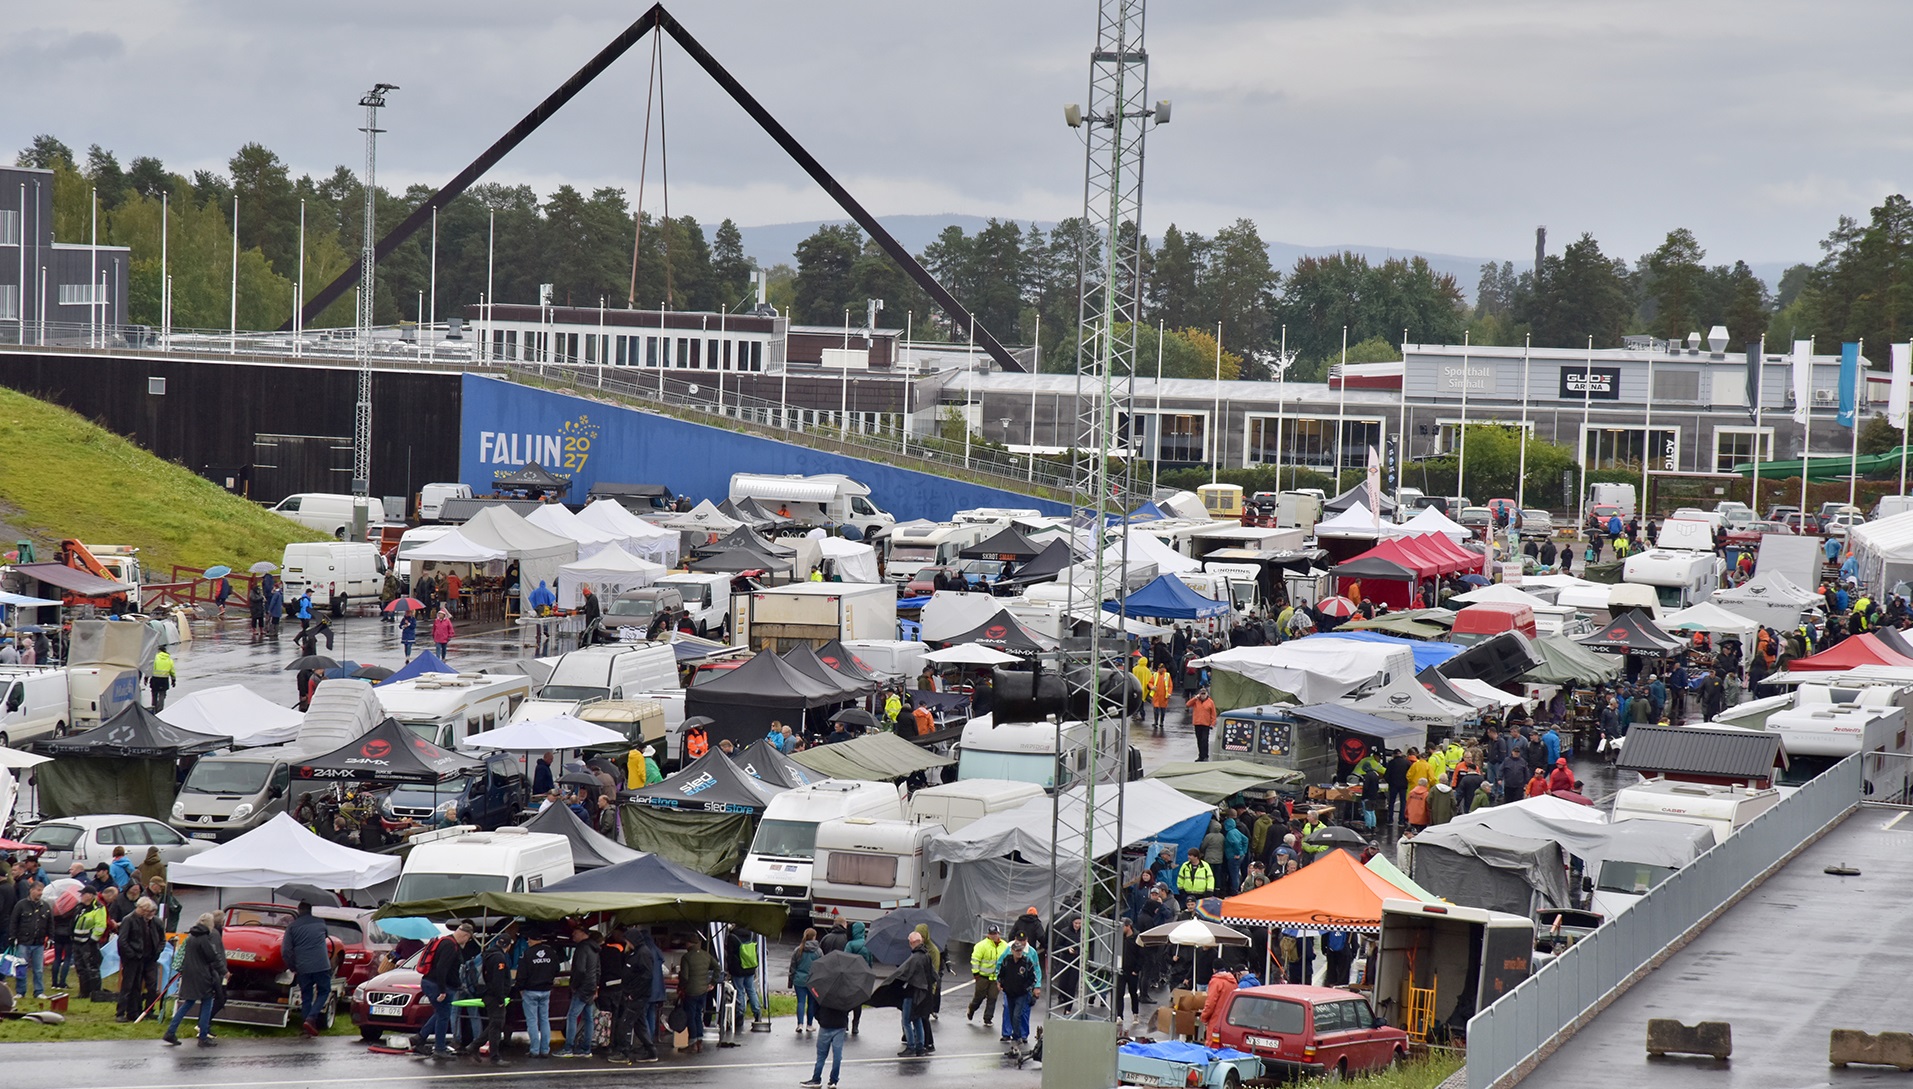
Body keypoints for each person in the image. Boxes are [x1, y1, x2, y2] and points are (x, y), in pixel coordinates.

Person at [164, 913, 227, 1047]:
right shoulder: (204, 939)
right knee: (207, 1003)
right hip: (202, 976)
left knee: (187, 1003)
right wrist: (224, 972)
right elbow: (213, 957)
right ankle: (203, 1036)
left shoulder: (191, 937)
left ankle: (171, 1031)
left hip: (189, 974)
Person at [415, 922, 473, 1058]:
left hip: (432, 982)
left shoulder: (446, 941)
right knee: (443, 1016)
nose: (467, 942)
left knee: (441, 1013)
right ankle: (439, 1049)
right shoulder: (450, 946)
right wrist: (442, 990)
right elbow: (442, 968)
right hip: (437, 985)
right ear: (465, 935)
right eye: (468, 939)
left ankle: (419, 1038)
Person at [281, 901, 333, 1036]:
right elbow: (326, 936)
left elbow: (285, 951)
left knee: (306, 996)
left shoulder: (292, 927)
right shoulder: (321, 923)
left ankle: (306, 1028)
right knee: (324, 991)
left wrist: (292, 967)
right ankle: (311, 1018)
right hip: (322, 965)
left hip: (303, 967)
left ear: (299, 910)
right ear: (311, 910)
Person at [116, 897, 166, 1023]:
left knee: (148, 985)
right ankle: (121, 1012)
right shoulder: (129, 920)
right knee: (129, 986)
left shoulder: (154, 922)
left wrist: (157, 952)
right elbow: (122, 941)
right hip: (133, 959)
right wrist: (131, 954)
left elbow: (162, 939)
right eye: (146, 910)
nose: (148, 914)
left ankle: (144, 1011)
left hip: (149, 958)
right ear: (140, 908)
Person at [802, 974, 854, 1089]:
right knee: (837, 1056)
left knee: (821, 1055)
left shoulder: (823, 989)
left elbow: (814, 1006)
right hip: (840, 1025)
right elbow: (850, 1006)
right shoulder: (847, 992)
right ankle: (833, 1081)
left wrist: (820, 1018)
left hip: (825, 1024)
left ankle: (816, 1079)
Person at [559, 923, 600, 1057]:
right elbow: (598, 970)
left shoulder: (582, 948)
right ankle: (586, 1048)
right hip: (591, 986)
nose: (573, 936)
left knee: (572, 1016)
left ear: (583, 933)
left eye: (575, 933)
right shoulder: (595, 949)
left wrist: (574, 985)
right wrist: (595, 986)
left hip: (582, 987)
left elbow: (580, 970)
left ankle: (568, 1048)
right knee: (588, 1018)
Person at [518, 928, 559, 1058]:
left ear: (531, 940)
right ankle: (545, 1050)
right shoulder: (551, 952)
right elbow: (557, 969)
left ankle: (534, 1050)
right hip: (546, 990)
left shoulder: (527, 954)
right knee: (544, 1020)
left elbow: (522, 974)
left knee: (532, 1021)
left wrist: (520, 988)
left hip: (530, 991)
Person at [995, 937, 1042, 1046]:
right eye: (1017, 951)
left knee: (1018, 1015)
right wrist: (999, 983)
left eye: (1020, 950)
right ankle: (1010, 1034)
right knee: (1010, 1014)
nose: (1019, 953)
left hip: (1021, 994)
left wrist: (1030, 988)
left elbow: (1033, 977)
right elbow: (1001, 973)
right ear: (1012, 950)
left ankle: (1018, 1036)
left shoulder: (1027, 962)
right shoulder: (1007, 961)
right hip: (1009, 993)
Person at [475, 932, 513, 1064]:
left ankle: (474, 1046)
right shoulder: (499, 958)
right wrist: (500, 999)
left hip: (487, 994)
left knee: (494, 1024)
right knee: (496, 1026)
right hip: (494, 996)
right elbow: (498, 981)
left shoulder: (488, 954)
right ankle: (495, 1057)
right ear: (508, 946)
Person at [10, 881, 52, 998]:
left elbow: (50, 923)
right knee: (21, 968)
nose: (40, 893)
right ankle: (20, 991)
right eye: (38, 890)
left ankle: (39, 991)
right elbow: (14, 922)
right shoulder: (21, 905)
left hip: (39, 943)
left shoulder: (45, 906)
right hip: (23, 942)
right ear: (31, 890)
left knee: (38, 970)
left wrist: (50, 937)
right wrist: (12, 937)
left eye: (41, 890)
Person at [897, 931, 935, 1058]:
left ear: (912, 942)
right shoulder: (927, 955)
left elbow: (906, 975)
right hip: (923, 994)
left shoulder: (914, 958)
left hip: (912, 993)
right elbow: (933, 976)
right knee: (917, 1019)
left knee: (906, 1020)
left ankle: (911, 1046)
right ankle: (920, 1047)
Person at [678, 932, 717, 1053]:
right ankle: (700, 1041)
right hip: (703, 991)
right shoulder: (706, 955)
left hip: (691, 991)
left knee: (691, 1017)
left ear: (689, 943)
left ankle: (693, 1043)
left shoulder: (687, 957)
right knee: (698, 1016)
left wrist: (681, 987)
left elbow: (685, 976)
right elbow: (718, 968)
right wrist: (712, 983)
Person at [72, 886, 108, 1001]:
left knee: (92, 968)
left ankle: (95, 993)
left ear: (90, 895)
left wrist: (92, 940)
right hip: (77, 942)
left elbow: (101, 925)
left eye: (83, 894)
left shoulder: (98, 908)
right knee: (80, 968)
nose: (81, 896)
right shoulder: (80, 907)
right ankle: (84, 992)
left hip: (89, 943)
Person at [969, 924, 1006, 1028]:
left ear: (999, 934)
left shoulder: (1005, 946)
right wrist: (976, 974)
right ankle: (972, 1009)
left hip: (996, 978)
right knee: (979, 997)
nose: (993, 936)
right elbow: (975, 960)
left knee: (992, 998)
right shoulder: (981, 945)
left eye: (995, 934)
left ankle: (988, 1018)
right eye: (991, 934)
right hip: (983, 977)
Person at [725, 926, 764, 1026]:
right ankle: (757, 1013)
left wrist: (729, 968)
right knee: (751, 990)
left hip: (737, 968)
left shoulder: (732, 937)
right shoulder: (752, 934)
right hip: (750, 967)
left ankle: (740, 1014)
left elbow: (729, 954)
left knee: (740, 991)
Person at [789, 927, 823, 1032]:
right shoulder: (818, 951)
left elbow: (793, 966)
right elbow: (822, 966)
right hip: (813, 981)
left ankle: (799, 1024)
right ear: (814, 937)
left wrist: (791, 979)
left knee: (801, 1002)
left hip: (799, 980)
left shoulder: (798, 950)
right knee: (811, 1003)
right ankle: (809, 1025)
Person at [1185, 688, 1217, 762]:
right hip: (1197, 723)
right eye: (1201, 694)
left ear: (1207, 694)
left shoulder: (1210, 702)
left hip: (1206, 724)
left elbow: (1213, 714)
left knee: (1204, 740)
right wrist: (1195, 698)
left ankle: (1205, 755)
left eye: (1204, 694)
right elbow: (1188, 704)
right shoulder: (1196, 701)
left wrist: (1212, 723)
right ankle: (1200, 756)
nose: (1203, 695)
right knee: (1199, 740)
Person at [1150, 665, 1173, 732]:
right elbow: (1150, 682)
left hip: (1164, 696)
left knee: (1163, 710)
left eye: (1161, 668)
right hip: (1156, 695)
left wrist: (1169, 693)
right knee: (1156, 709)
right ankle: (1156, 722)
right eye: (1159, 668)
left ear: (1163, 668)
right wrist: (1152, 687)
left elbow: (1170, 686)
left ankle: (1161, 722)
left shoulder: (1167, 675)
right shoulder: (1155, 675)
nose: (1160, 669)